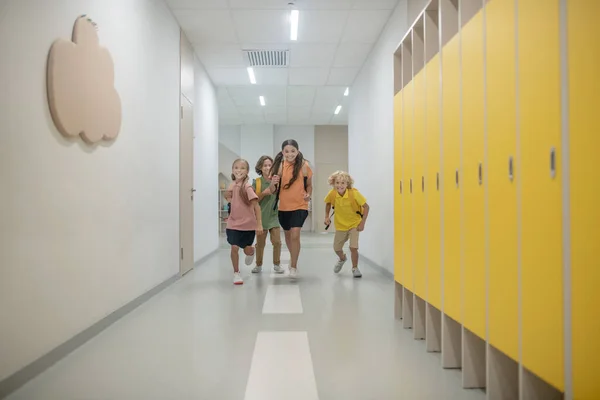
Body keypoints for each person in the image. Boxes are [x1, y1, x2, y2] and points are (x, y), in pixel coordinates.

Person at [270, 139, 312, 279]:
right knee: (288, 236)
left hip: (300, 205)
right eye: (287, 151)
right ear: (282, 152)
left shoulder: (304, 166)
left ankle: (293, 265)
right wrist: (273, 183)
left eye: (293, 151)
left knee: (295, 234)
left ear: (298, 151)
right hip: (284, 207)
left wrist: (308, 194)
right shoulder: (279, 167)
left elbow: (309, 185)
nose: (290, 154)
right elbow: (273, 190)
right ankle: (293, 257)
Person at [224, 159, 263, 285]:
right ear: (232, 170)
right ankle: (236, 273)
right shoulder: (232, 185)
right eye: (236, 167)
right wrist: (230, 195)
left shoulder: (247, 187)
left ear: (246, 171)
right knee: (234, 247)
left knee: (246, 250)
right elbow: (229, 198)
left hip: (247, 225)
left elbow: (256, 207)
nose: (238, 170)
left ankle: (251, 250)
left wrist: (259, 224)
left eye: (242, 168)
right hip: (233, 223)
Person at [324, 170, 369, 278]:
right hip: (340, 225)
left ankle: (355, 268)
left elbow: (366, 207)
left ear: (347, 184)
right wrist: (326, 216)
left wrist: (362, 223)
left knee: (353, 248)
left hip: (354, 224)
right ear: (333, 183)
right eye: (337, 183)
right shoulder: (333, 193)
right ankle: (342, 258)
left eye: (343, 183)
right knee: (337, 248)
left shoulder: (354, 194)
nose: (340, 185)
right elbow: (328, 203)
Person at [251, 155, 284, 274]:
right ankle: (258, 265)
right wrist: (264, 193)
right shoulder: (257, 182)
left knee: (277, 242)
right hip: (261, 218)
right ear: (260, 167)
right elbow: (254, 200)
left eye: (270, 165)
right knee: (260, 244)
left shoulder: (276, 181)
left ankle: (277, 264)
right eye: (265, 165)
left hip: (274, 216)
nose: (267, 167)